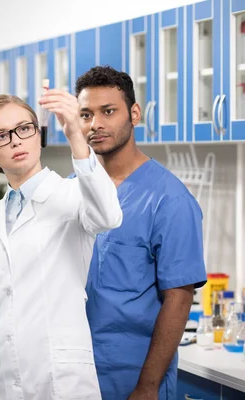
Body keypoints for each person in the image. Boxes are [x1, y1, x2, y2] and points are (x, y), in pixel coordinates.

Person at [0, 88, 122, 400]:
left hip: (58, 381)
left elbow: (108, 215)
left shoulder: (73, 197)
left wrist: (76, 132)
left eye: (24, 128)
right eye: (1, 136)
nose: (16, 140)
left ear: (38, 134)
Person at [75, 65, 207, 400]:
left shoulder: (170, 200)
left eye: (109, 111)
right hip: (74, 373)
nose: (96, 124)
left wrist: (147, 387)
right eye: (86, 114)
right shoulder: (73, 191)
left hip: (132, 376)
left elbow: (179, 298)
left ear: (134, 114)